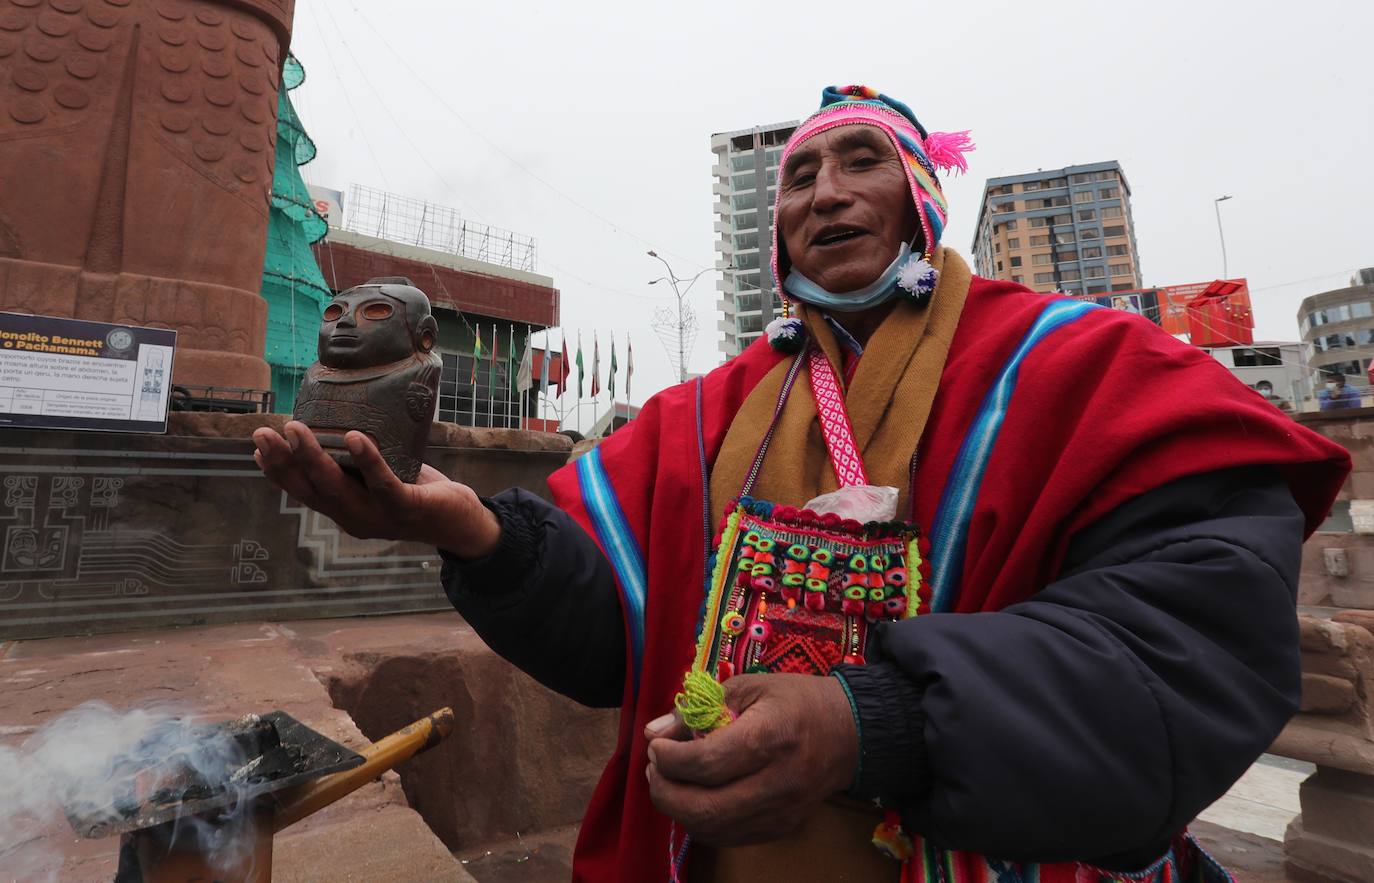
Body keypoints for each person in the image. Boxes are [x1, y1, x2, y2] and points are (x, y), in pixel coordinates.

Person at [254, 85, 1350, 882]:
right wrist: (481, 540)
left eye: (861, 161)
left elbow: (1192, 638)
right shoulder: (706, 411)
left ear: (922, 196)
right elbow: (612, 641)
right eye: (799, 178)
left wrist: (878, 724)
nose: (825, 194)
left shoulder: (1088, 366)